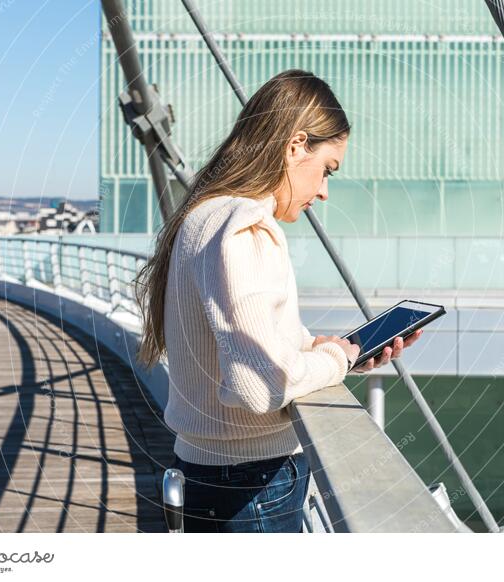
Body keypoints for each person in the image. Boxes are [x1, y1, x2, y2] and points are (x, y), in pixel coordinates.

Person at [135, 69, 423, 533]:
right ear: (295, 146)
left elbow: (240, 340)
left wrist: (327, 353)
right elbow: (260, 385)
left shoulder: (203, 216)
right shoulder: (246, 227)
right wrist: (335, 359)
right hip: (254, 487)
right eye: (326, 169)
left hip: (206, 474)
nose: (325, 191)